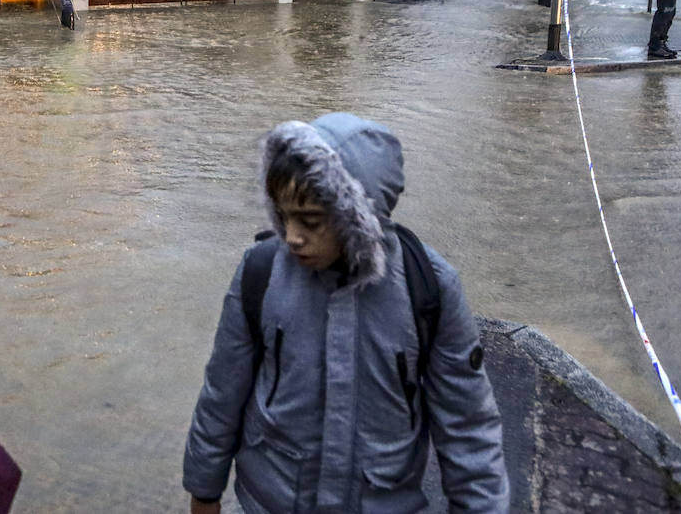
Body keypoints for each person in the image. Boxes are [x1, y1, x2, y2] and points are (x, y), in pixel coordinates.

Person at [183, 113, 509, 513]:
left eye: (311, 221)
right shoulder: (260, 272)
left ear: (360, 216)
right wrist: (204, 491)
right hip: (269, 503)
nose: (292, 237)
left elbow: (468, 426)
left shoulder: (429, 287)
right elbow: (221, 393)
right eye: (284, 216)